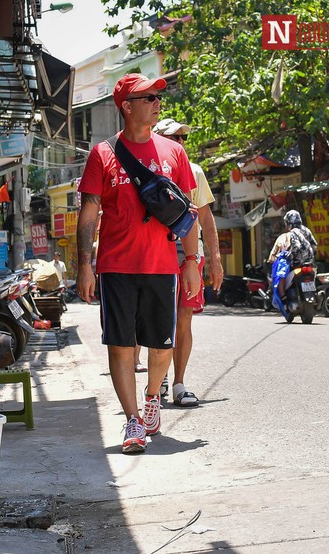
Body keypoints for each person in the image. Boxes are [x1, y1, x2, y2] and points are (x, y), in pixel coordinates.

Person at [75, 73, 200, 454]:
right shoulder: (103, 153)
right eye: (147, 97)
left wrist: (192, 260)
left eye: (156, 96)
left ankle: (151, 399)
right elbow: (89, 211)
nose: (156, 102)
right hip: (116, 266)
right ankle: (132, 420)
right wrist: (84, 264)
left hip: (163, 265)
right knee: (121, 346)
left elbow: (186, 212)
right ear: (127, 106)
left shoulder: (175, 153)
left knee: (161, 347)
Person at [152, 118, 224, 407]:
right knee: (158, 320)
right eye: (174, 138)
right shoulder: (150, 171)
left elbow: (205, 218)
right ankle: (158, 380)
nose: (180, 143)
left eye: (183, 138)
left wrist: (216, 259)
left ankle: (179, 382)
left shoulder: (195, 171)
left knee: (184, 317)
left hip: (190, 255)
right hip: (157, 252)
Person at [267, 209, 317, 313]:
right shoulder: (307, 230)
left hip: (297, 263)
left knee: (281, 277)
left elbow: (296, 247)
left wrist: (290, 256)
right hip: (310, 263)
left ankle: (284, 300)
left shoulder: (293, 233)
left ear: (289, 223)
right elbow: (315, 245)